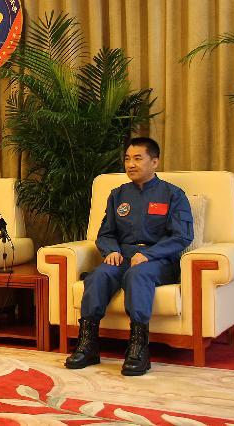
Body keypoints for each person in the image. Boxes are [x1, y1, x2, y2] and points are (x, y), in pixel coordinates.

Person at [65, 137, 193, 376]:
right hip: (122, 256)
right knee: (99, 275)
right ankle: (88, 344)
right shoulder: (118, 194)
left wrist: (149, 254)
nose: (131, 164)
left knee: (138, 275)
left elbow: (182, 237)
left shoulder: (173, 195)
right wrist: (111, 250)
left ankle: (138, 349)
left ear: (154, 162)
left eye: (138, 158)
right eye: (127, 159)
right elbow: (105, 233)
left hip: (158, 261)